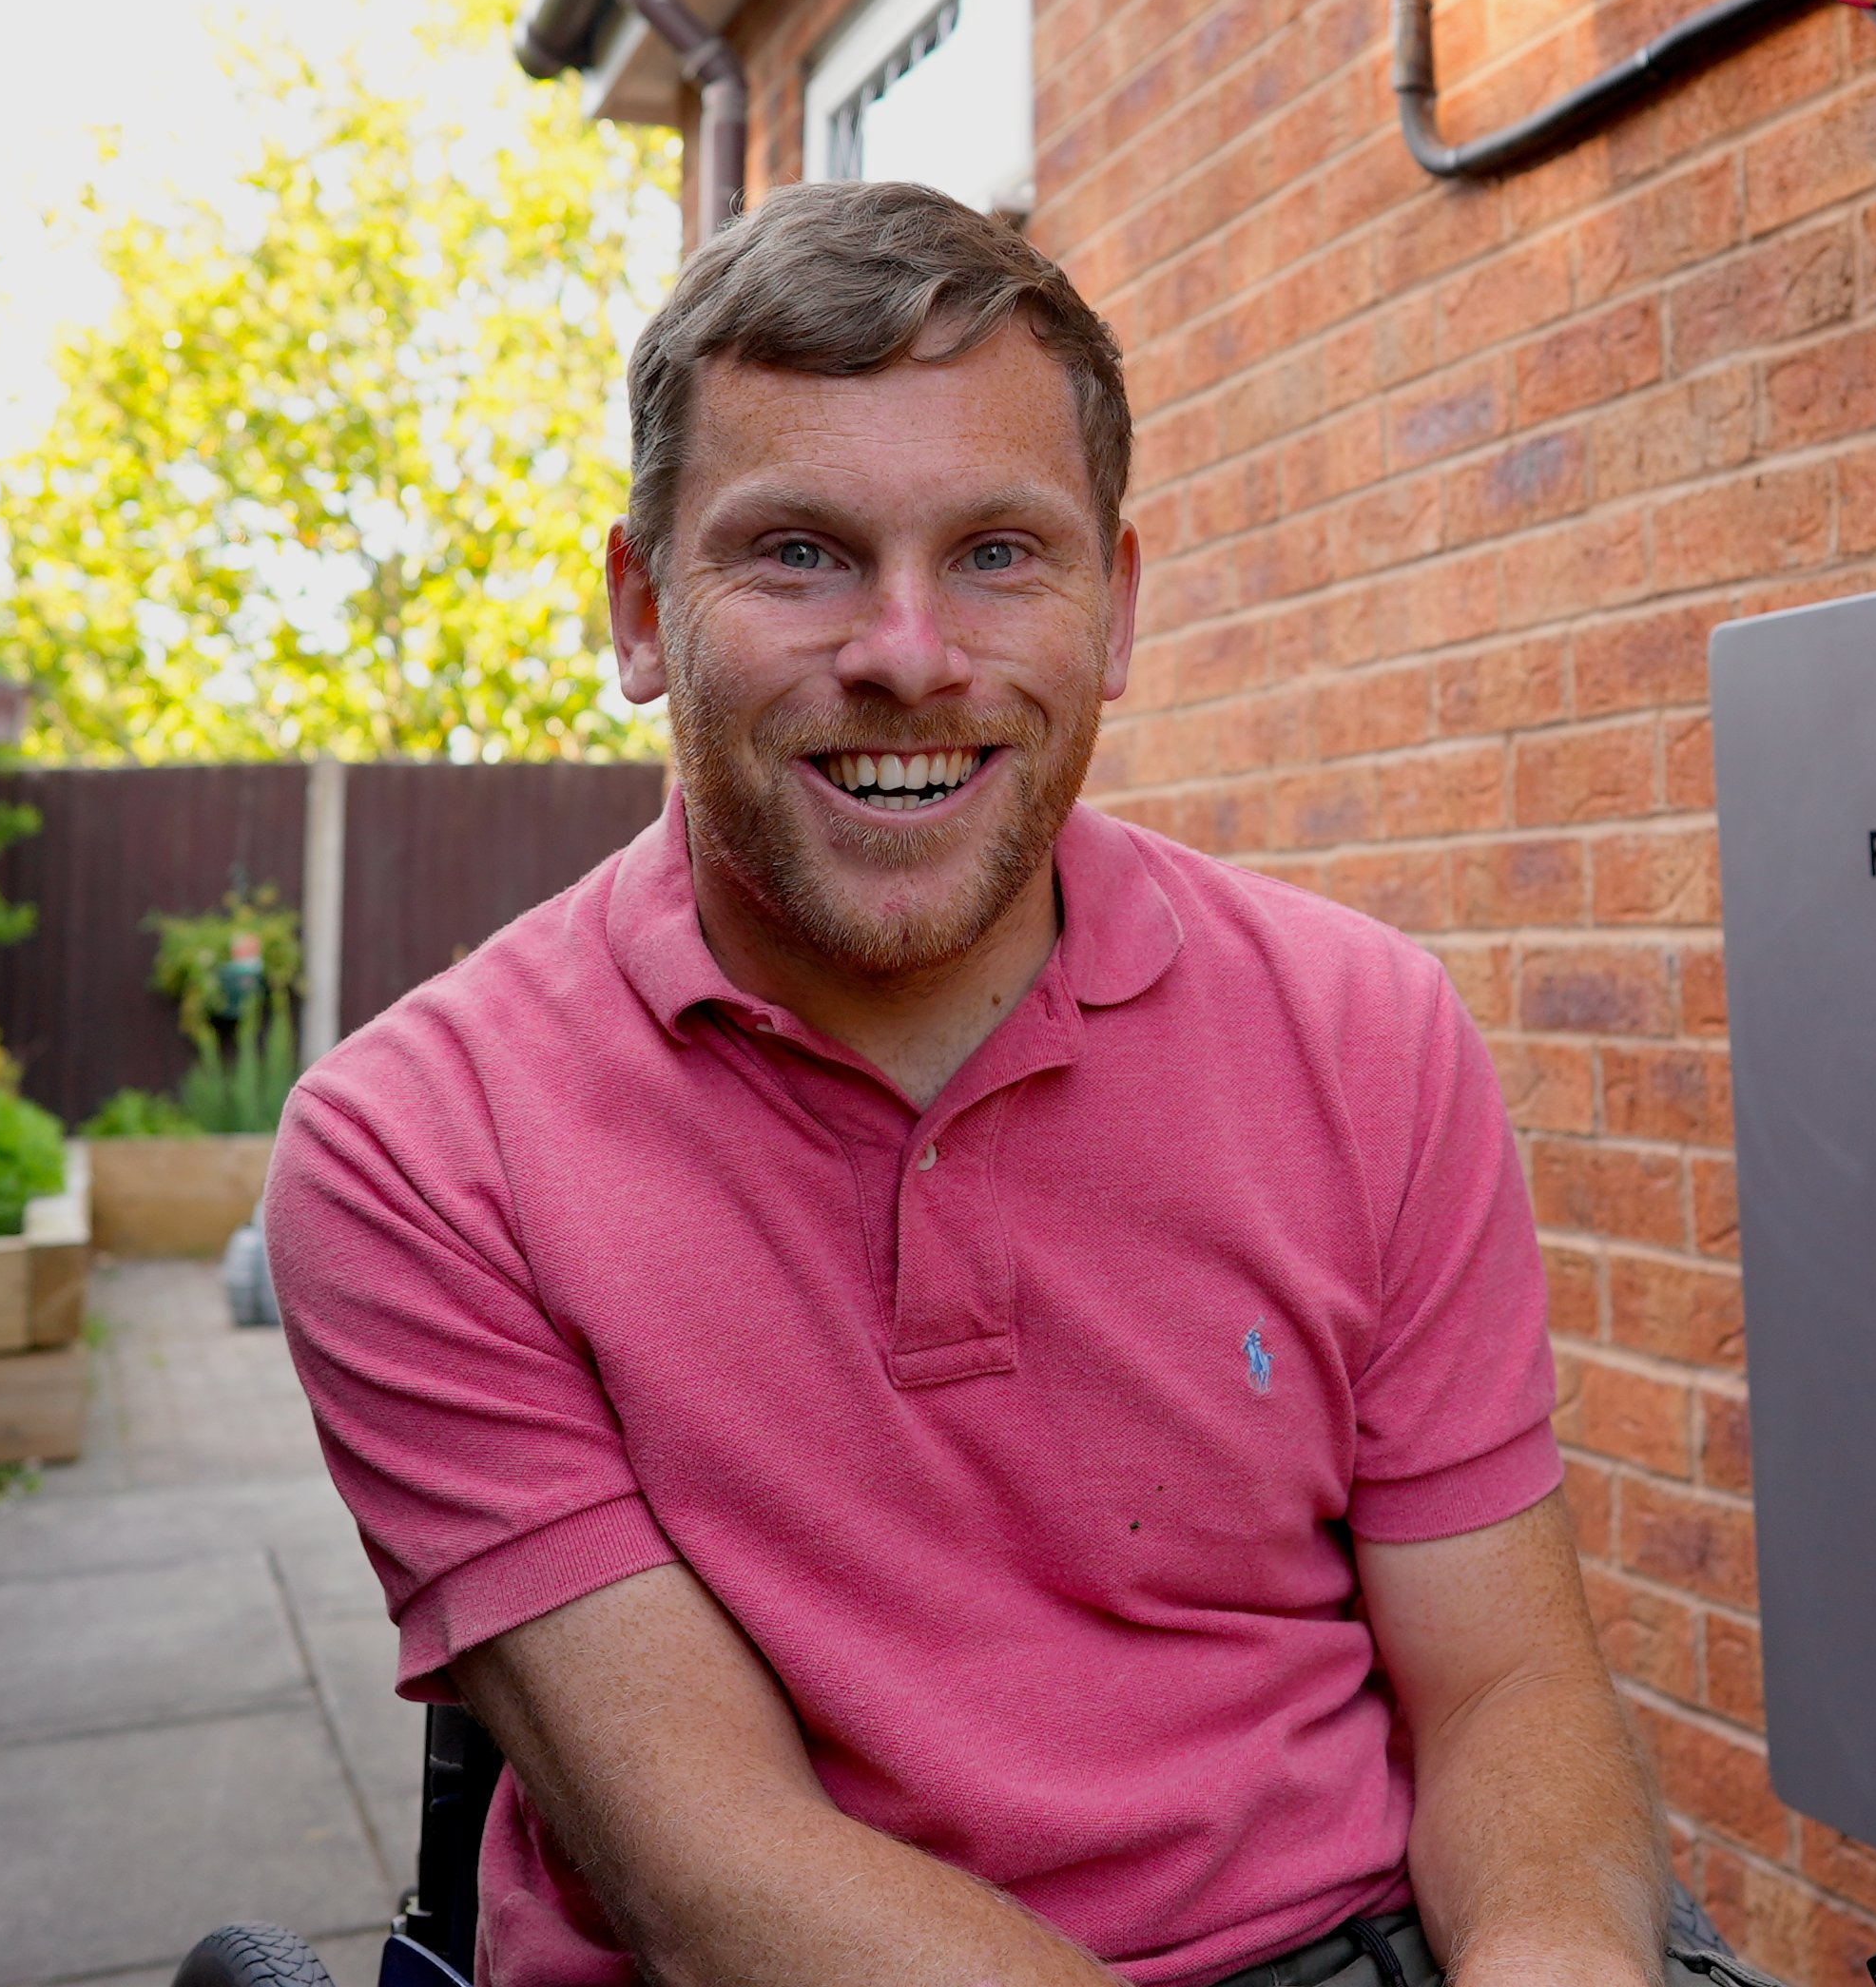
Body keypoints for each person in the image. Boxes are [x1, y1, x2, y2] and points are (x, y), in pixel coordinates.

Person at [267, 183, 1688, 1987]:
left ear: (1115, 608)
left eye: (1000, 554)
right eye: (799, 553)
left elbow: (1504, 1692)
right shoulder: (417, 1153)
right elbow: (713, 1874)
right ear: (640, 611)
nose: (910, 654)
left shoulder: (1367, 1034)